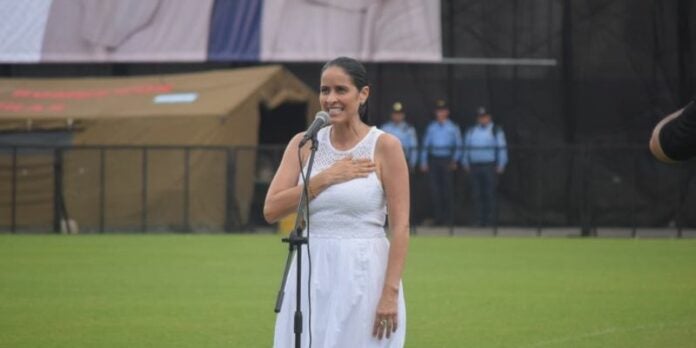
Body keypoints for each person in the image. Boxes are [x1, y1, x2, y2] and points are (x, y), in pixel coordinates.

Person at [264, 57, 409, 347]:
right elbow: (271, 209)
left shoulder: (386, 147)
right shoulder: (303, 144)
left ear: (362, 94)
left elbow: (401, 227)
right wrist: (324, 179)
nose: (331, 99)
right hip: (310, 270)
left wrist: (389, 293)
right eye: (324, 90)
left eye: (341, 90)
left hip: (365, 273)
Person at [461, 107, 508, 227]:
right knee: (476, 194)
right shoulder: (472, 130)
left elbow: (502, 148)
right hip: (475, 166)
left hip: (489, 166)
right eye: (480, 117)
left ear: (489, 117)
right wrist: (465, 161)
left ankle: (491, 221)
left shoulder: (496, 130)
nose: (482, 119)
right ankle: (478, 220)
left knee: (489, 193)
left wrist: (501, 164)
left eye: (485, 117)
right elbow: (466, 147)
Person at [419, 99, 462, 226]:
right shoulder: (431, 127)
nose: (440, 113)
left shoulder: (453, 127)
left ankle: (449, 219)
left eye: (443, 111)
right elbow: (425, 145)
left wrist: (455, 160)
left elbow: (459, 145)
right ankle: (438, 219)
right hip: (434, 160)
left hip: (447, 160)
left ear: (447, 112)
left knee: (447, 190)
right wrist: (423, 161)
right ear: (436, 113)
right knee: (435, 191)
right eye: (438, 111)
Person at [380, 102, 418, 169]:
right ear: (391, 115)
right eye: (395, 114)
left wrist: (412, 163)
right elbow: (379, 146)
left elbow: (413, 147)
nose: (397, 116)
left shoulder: (409, 129)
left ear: (403, 115)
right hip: (387, 160)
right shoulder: (385, 128)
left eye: (399, 114)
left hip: (404, 160)